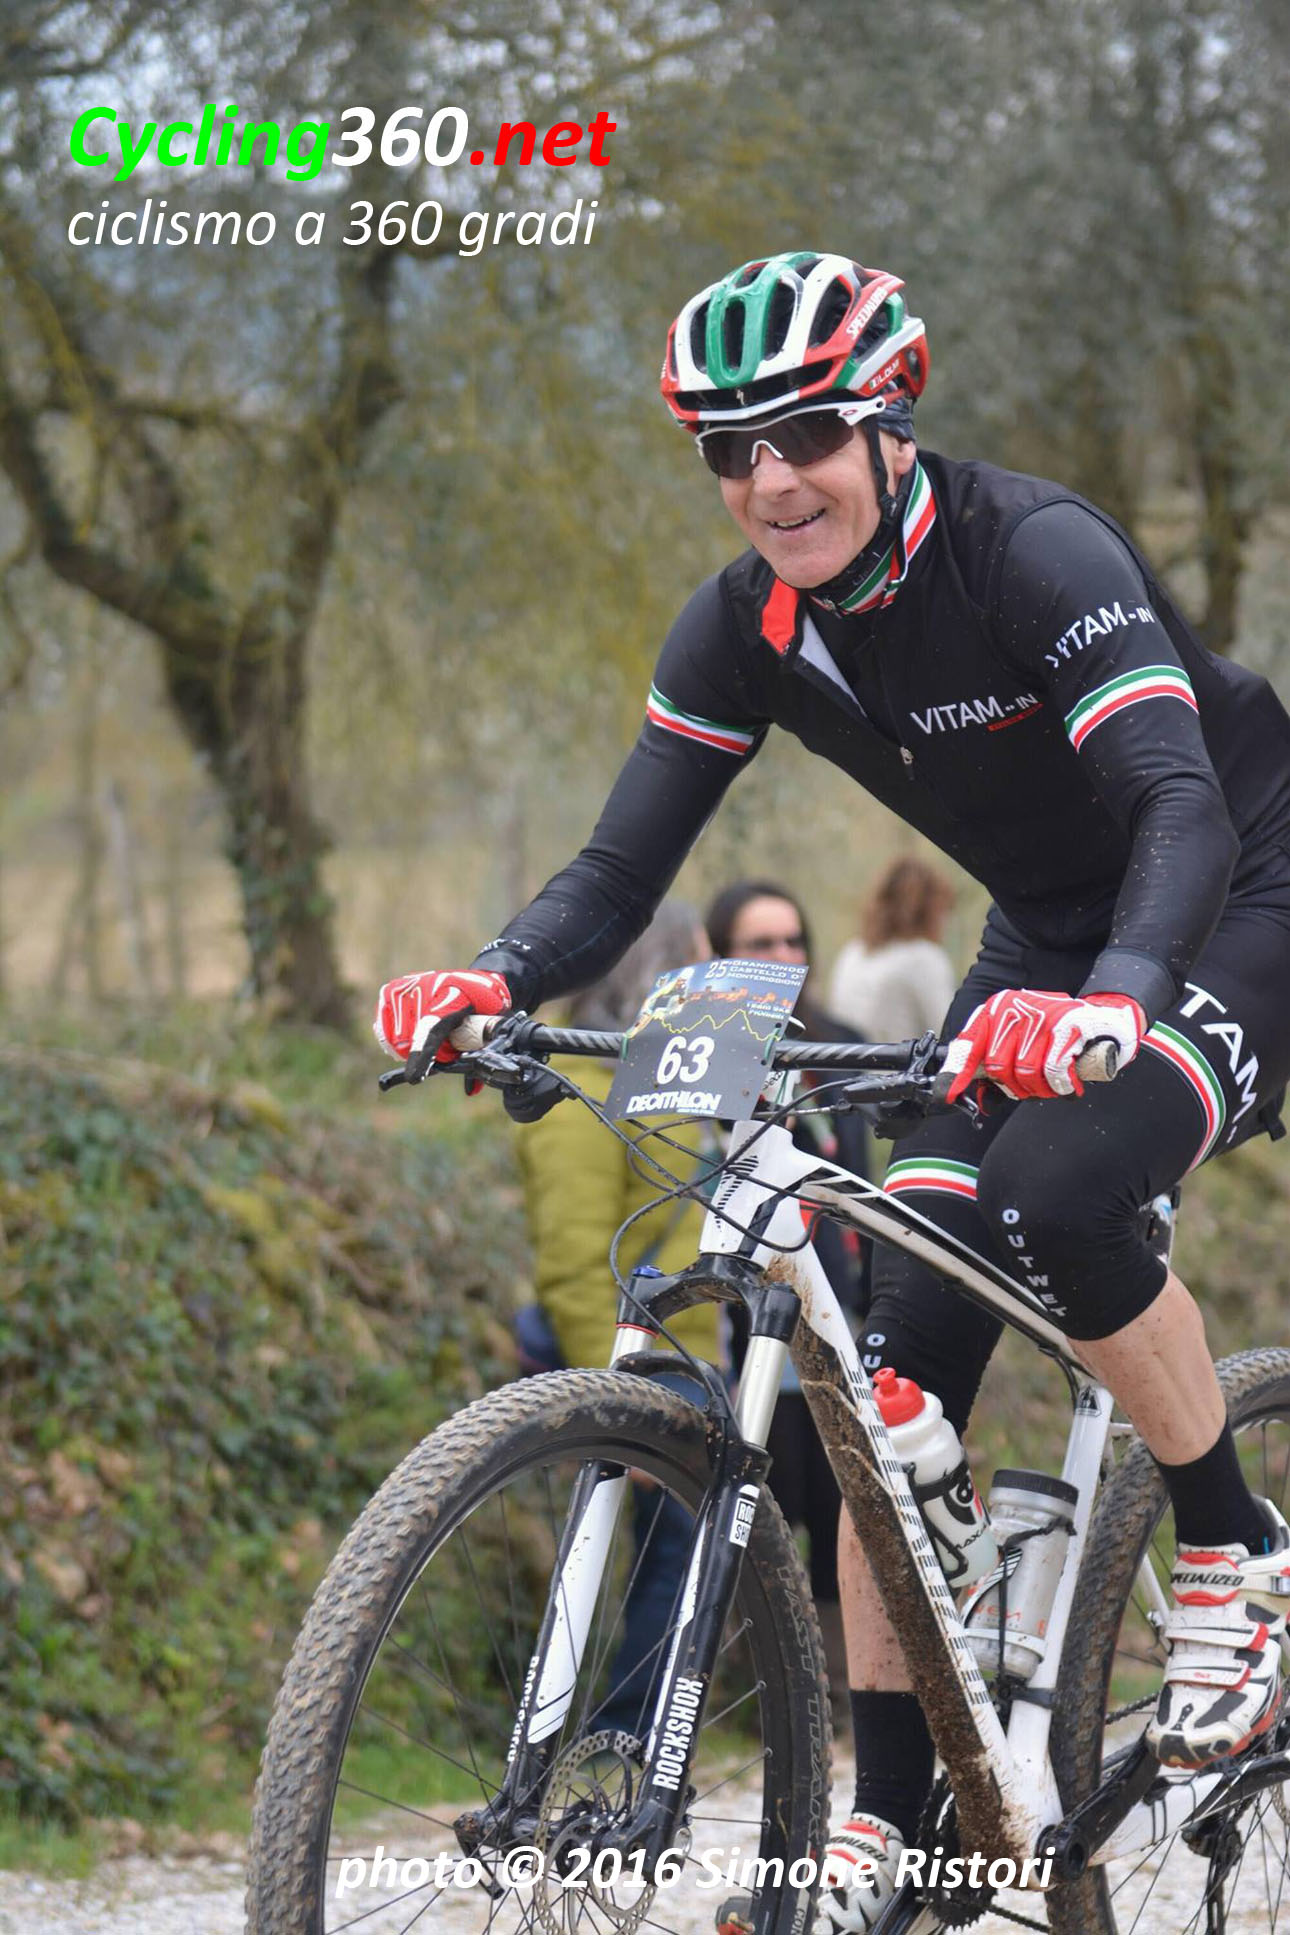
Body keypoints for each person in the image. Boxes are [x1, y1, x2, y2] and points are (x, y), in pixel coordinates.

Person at [375, 252, 1290, 1931]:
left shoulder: (1032, 552)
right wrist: (494, 979)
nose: (769, 479)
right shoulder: (742, 622)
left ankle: (1236, 1545)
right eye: (729, 450)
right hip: (1045, 933)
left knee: (1058, 1190)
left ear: (889, 423)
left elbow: (1177, 805)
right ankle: (887, 1813)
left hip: (1234, 888)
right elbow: (621, 867)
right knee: (887, 1386)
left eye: (803, 433)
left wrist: (1114, 1004)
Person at [513, 901, 719, 1738]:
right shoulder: (582, 1096)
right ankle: (623, 1735)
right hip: (644, 1366)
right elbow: (572, 1266)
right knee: (659, 1558)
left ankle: (643, 1734)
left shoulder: (669, 1087)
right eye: (701, 970)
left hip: (694, 1359)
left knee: (681, 1557)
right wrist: (618, 1396)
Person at [704, 878, 870, 1709]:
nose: (782, 957)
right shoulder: (698, 1060)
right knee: (752, 1520)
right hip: (736, 1334)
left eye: (792, 940)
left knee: (844, 1516)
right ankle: (760, 1697)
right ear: (721, 957)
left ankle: (844, 1690)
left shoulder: (844, 1049)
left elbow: (866, 1195)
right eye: (759, 944)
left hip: (833, 1325)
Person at [829, 855, 956, 1044]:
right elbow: (947, 1032)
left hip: (849, 1061)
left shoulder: (852, 952)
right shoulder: (925, 959)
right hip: (901, 1062)